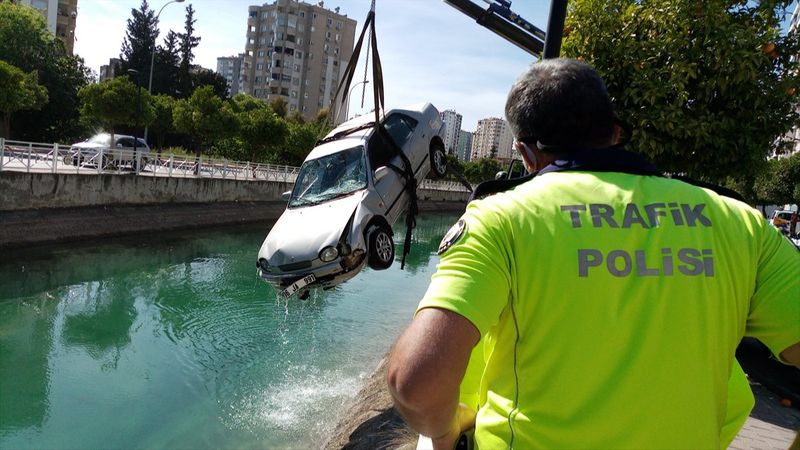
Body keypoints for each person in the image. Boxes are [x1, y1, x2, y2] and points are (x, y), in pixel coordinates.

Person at [386, 58, 800, 449]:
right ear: (614, 133)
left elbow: (417, 382)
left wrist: (443, 433)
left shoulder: (502, 217)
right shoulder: (738, 221)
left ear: (525, 153)